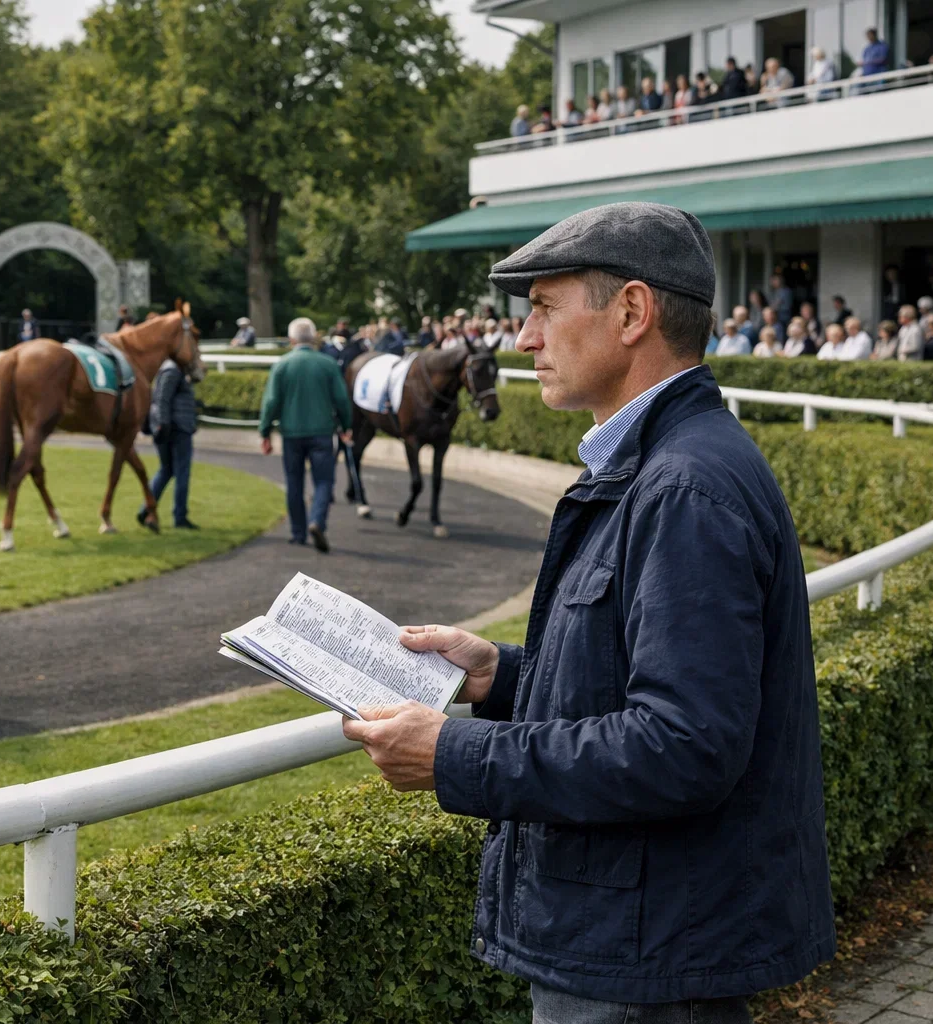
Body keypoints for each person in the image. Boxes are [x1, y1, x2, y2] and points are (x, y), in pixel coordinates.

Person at [342, 201, 835, 1017]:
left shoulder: (683, 486)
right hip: (642, 933)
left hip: (645, 951)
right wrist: (500, 674)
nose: (525, 339)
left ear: (633, 313)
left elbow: (684, 745)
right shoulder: (669, 464)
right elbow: (632, 671)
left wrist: (456, 757)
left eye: (542, 308)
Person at [258, 317, 352, 554]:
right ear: (313, 338)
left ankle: (298, 533)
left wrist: (265, 431)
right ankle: (317, 521)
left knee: (294, 483)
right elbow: (341, 400)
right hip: (321, 432)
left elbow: (271, 402)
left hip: (291, 433)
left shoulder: (282, 364)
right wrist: (346, 426)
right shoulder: (328, 363)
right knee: (324, 481)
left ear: (291, 339)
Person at [138, 346, 198, 530]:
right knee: (181, 472)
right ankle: (180, 516)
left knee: (166, 470)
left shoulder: (167, 369)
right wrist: (163, 425)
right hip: (176, 428)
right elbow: (163, 398)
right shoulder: (172, 370)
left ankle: (146, 509)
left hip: (168, 427)